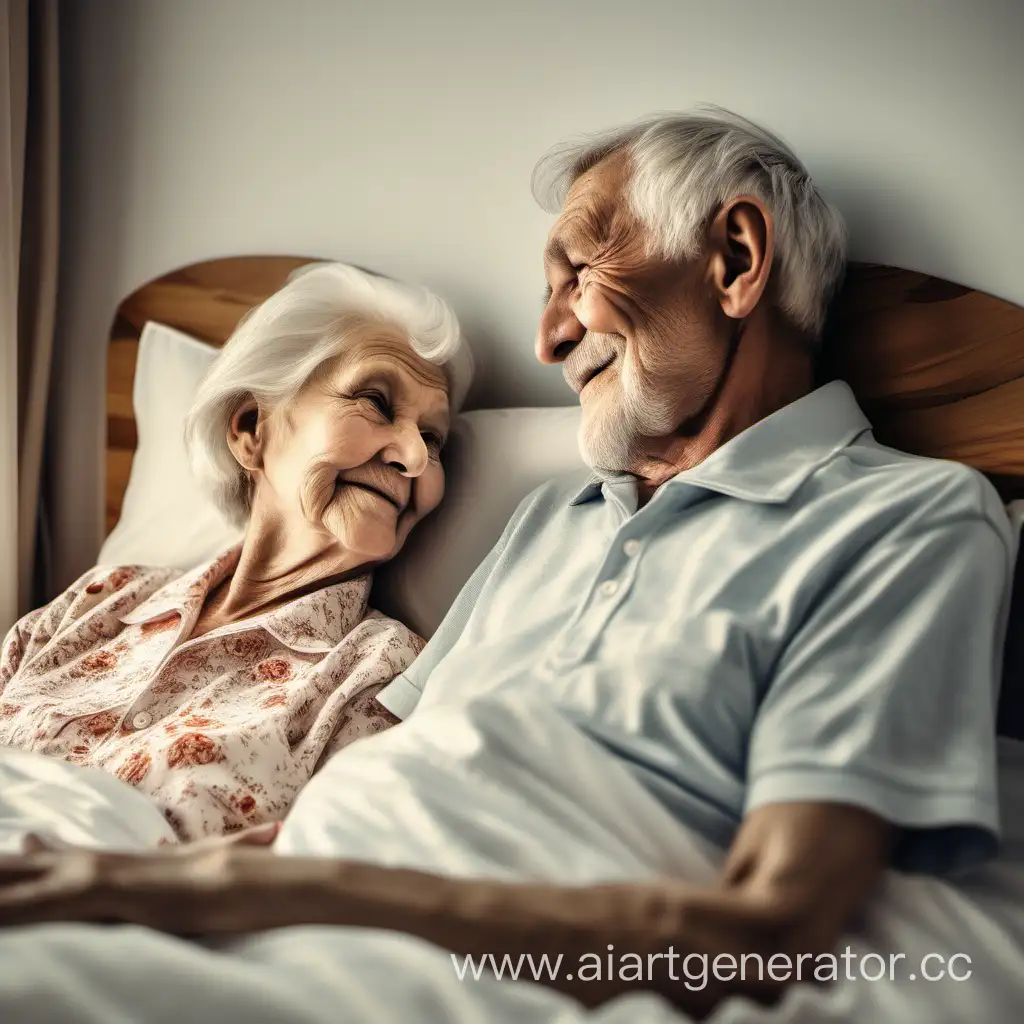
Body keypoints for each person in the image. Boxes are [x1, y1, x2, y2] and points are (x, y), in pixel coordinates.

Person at [0, 109, 1018, 1024]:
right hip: (313, 910)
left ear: (735, 258)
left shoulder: (907, 519)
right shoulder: (552, 519)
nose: (546, 337)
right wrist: (143, 885)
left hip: (431, 953)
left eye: (578, 271)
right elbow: (365, 797)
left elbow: (765, 927)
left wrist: (239, 893)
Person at [0, 262, 472, 843]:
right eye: (376, 401)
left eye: (433, 438)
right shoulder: (101, 598)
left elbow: (322, 877)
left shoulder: (379, 676)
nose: (416, 458)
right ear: (252, 427)